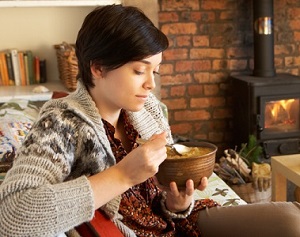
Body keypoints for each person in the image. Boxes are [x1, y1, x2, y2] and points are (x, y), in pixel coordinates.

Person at [0, 4, 300, 237]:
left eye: (154, 71)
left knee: (291, 219)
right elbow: (12, 215)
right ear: (98, 68)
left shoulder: (148, 110)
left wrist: (177, 204)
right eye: (139, 71)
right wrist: (122, 176)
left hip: (177, 224)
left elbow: (164, 198)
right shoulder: (60, 123)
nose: (150, 85)